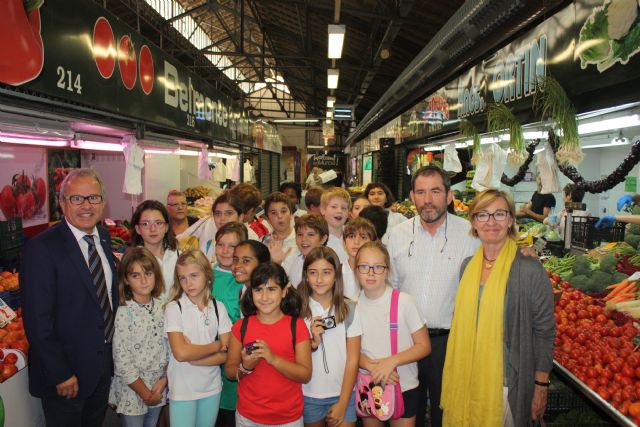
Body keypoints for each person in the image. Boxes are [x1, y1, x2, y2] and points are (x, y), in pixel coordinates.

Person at [440, 189, 555, 426]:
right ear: (473, 222)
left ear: (511, 219)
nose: (491, 222)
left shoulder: (529, 269)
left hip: (506, 384)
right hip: (466, 380)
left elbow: (545, 332)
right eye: (483, 214)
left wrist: (541, 385)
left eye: (499, 214)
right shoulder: (467, 267)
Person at [21, 168, 119, 426]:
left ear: (103, 202)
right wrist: (60, 373)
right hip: (67, 378)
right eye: (77, 198)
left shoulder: (104, 238)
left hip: (101, 368)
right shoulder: (41, 248)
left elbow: (106, 299)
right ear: (62, 203)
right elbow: (37, 320)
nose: (86, 206)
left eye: (93, 198)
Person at [386, 165, 480, 427]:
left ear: (449, 196)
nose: (428, 200)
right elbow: (390, 288)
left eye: (435, 191)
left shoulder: (471, 235)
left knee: (446, 413)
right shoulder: (397, 235)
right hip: (405, 344)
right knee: (406, 412)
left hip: (448, 344)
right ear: (413, 197)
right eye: (421, 192)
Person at [224, 262, 312, 427]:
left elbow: (305, 374)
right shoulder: (241, 327)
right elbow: (230, 371)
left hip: (288, 418)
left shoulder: (297, 326)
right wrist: (246, 367)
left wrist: (273, 359)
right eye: (258, 290)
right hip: (248, 417)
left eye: (271, 289)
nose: (264, 297)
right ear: (251, 292)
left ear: (284, 291)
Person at [355, 241, 431, 427]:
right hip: (368, 384)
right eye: (364, 267)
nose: (371, 272)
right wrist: (374, 368)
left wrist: (391, 362)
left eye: (378, 267)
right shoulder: (352, 306)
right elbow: (349, 351)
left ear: (388, 271)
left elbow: (424, 346)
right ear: (356, 270)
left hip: (403, 386)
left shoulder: (404, 302)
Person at [164, 250, 232, 427]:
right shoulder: (174, 308)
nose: (188, 283)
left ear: (207, 275)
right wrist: (217, 345)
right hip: (183, 389)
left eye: (194, 275)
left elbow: (228, 355)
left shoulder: (218, 307)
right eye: (182, 278)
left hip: (212, 387)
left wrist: (195, 357)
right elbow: (180, 353)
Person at [298, 247, 361, 427]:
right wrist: (312, 343)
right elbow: (292, 354)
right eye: (313, 273)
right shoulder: (296, 310)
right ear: (305, 275)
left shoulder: (349, 308)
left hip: (344, 393)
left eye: (326, 272)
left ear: (336, 275)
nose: (319, 279)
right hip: (308, 394)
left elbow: (353, 359)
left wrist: (343, 401)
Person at [110, 247, 169, 427]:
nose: (144, 281)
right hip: (133, 389)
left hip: (158, 386)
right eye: (136, 275)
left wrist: (164, 380)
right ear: (126, 280)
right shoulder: (124, 312)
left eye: (148, 273)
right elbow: (122, 360)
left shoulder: (163, 307)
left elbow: (170, 348)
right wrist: (145, 393)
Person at [212, 223, 248, 427]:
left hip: (236, 355)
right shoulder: (205, 275)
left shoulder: (245, 280)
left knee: (232, 413)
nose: (225, 251)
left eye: (232, 246)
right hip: (209, 355)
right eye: (220, 244)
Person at [129, 200, 179, 301]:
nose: (153, 229)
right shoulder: (132, 261)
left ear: (166, 227)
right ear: (138, 229)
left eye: (158, 223)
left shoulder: (178, 256)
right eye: (146, 224)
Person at [282, 213, 330, 289]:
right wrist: (277, 262)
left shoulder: (329, 262)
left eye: (310, 234)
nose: (304, 239)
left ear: (323, 239)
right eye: (300, 234)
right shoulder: (292, 256)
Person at [342, 217, 377, 300]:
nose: (356, 242)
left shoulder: (378, 273)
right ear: (344, 243)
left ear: (373, 243)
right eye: (351, 236)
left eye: (363, 237)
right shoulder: (336, 272)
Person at [263, 192, 297, 263]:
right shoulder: (264, 243)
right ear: (267, 219)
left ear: (291, 214)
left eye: (283, 211)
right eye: (273, 213)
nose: (279, 216)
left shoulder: (301, 240)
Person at [320, 187, 351, 265]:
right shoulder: (317, 237)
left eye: (344, 208)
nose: (339, 211)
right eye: (334, 207)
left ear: (348, 213)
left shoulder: (353, 235)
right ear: (323, 210)